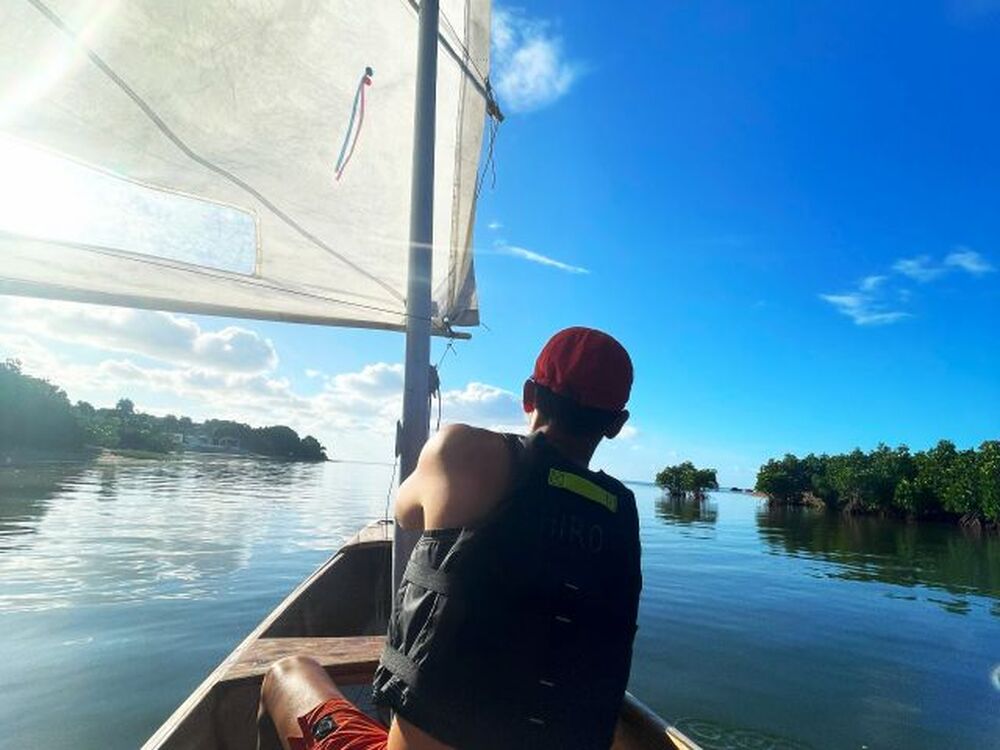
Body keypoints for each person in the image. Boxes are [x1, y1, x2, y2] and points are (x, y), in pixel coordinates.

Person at [261, 327, 642, 750]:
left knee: (287, 673)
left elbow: (405, 513)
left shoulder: (465, 452)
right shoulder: (623, 514)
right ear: (616, 425)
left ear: (529, 394)